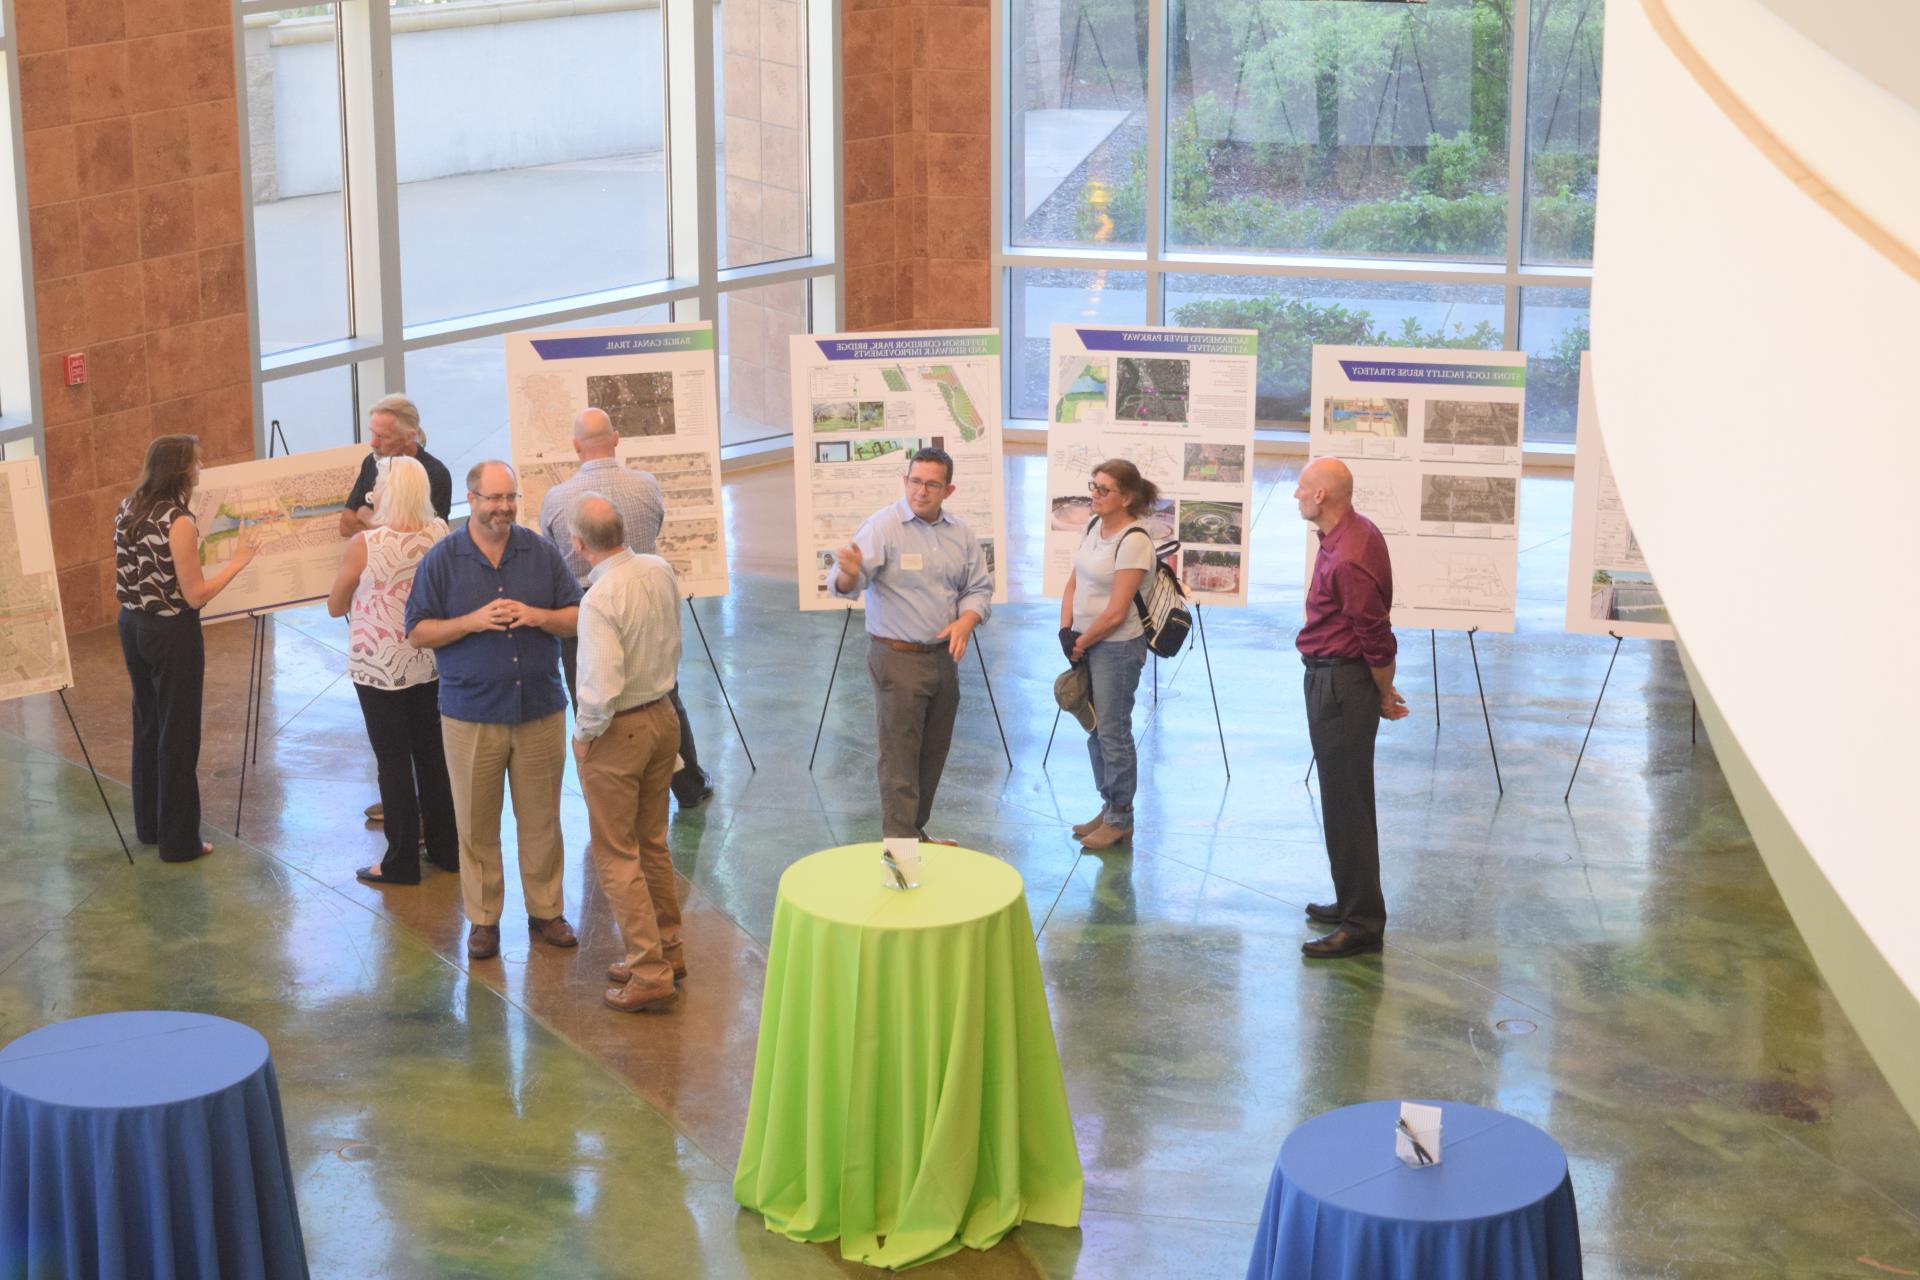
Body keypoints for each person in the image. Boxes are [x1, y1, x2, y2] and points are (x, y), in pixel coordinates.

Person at [404, 460, 583, 961]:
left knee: (542, 819)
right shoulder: (442, 560)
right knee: (477, 825)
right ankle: (484, 921)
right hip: (470, 716)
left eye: (510, 498)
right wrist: (472, 621)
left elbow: (575, 616)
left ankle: (546, 910)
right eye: (493, 498)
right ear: (472, 498)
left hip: (540, 712)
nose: (503, 508)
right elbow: (417, 630)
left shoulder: (541, 554)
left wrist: (538, 616)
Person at [538, 407, 712, 809]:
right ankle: (687, 784)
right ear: (616, 438)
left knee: (591, 696)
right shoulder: (647, 485)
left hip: (580, 609)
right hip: (643, 597)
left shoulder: (557, 499)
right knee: (664, 694)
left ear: (574, 445)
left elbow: (550, 552)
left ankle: (605, 793)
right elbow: (657, 527)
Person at [829, 447, 992, 842]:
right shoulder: (882, 528)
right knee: (900, 761)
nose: (921, 491)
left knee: (931, 755)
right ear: (905, 481)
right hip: (897, 659)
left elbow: (979, 589)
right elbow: (845, 585)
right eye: (915, 481)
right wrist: (849, 575)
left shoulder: (961, 534)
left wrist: (967, 620)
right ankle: (900, 858)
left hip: (943, 661)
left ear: (948, 490)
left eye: (932, 484)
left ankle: (914, 834)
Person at [112, 434, 258, 862]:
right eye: (195, 462)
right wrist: (238, 561)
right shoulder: (178, 522)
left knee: (148, 724)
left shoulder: (128, 506)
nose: (199, 469)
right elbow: (194, 595)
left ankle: (150, 827)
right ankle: (179, 843)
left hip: (131, 626)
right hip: (170, 632)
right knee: (178, 734)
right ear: (179, 469)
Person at [567, 496, 687, 1013]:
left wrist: (584, 735)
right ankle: (669, 950)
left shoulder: (598, 600)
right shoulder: (658, 569)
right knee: (652, 843)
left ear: (577, 544)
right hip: (665, 718)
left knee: (617, 856)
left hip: (620, 731)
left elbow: (599, 688)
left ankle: (648, 970)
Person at [1294, 457, 1409, 959]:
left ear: (1322, 496)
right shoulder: (1352, 534)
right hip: (1334, 678)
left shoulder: (1349, 557)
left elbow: (1376, 637)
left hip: (1341, 682)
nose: (1295, 494)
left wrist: (1383, 692)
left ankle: (1362, 923)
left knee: (1347, 804)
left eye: (1301, 487)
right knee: (1341, 799)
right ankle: (1350, 899)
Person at [326, 456, 458, 886]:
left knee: (393, 761)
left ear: (388, 491)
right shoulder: (439, 533)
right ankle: (446, 849)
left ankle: (400, 860)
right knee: (433, 757)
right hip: (428, 660)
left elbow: (335, 606)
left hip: (379, 667)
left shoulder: (367, 544)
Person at [339, 393, 451, 828]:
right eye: (373, 434)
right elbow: (346, 519)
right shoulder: (374, 462)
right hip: (398, 631)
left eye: (382, 436)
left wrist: (371, 526)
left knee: (407, 746)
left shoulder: (436, 473)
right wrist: (375, 524)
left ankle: (412, 823)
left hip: (408, 633)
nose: (374, 443)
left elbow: (416, 544)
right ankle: (414, 814)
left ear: (408, 438)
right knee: (414, 744)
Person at [1059, 459, 1157, 850]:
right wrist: (1066, 630)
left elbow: (1117, 612)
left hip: (1116, 649)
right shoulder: (1093, 526)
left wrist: (1082, 642)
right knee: (1095, 728)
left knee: (1113, 732)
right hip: (1085, 640)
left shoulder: (1134, 541)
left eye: (1104, 489)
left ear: (1127, 497)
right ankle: (1108, 805)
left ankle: (1120, 818)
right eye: (1093, 486)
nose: (1094, 495)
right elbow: (1074, 580)